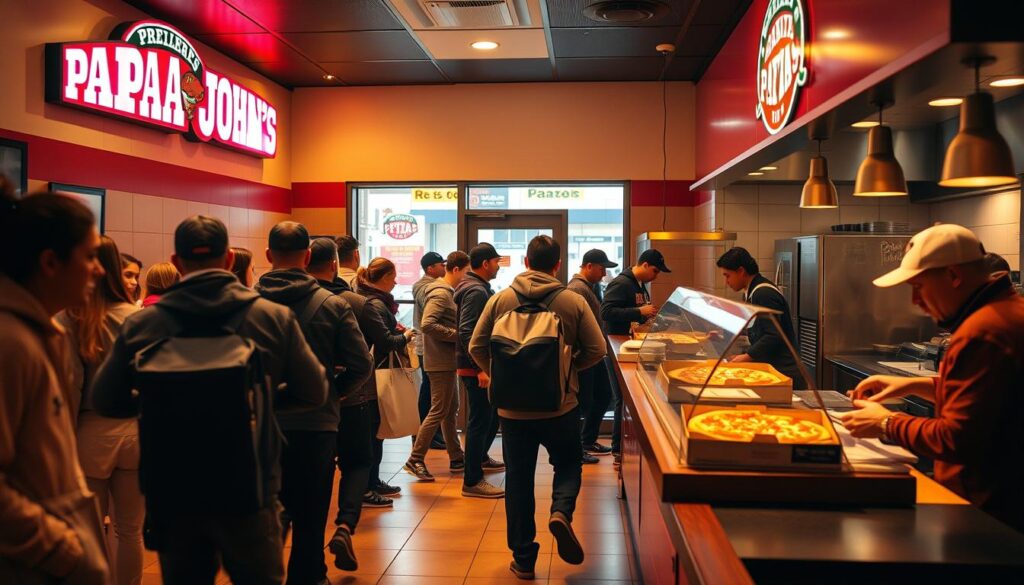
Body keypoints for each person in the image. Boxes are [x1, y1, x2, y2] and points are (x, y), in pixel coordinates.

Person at [92, 215, 328, 585]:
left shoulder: (145, 323)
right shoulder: (271, 317)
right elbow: (314, 391)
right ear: (229, 259)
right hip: (250, 485)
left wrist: (157, 403)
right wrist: (259, 401)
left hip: (174, 487)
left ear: (176, 261)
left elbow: (105, 399)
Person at [842, 224, 1024, 532]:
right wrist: (916, 385)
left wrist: (886, 422)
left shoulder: (983, 331)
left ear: (953, 276)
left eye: (919, 286)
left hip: (989, 518)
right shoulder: (1007, 311)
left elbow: (956, 438)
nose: (915, 300)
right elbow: (990, 397)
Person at [469, 235, 607, 579]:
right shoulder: (572, 301)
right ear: (557, 265)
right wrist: (568, 371)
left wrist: (497, 375)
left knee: (518, 479)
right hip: (560, 406)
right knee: (568, 464)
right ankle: (560, 511)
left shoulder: (500, 299)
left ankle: (524, 558)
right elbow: (598, 349)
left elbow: (476, 346)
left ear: (526, 262)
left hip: (512, 411)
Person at [0, 191, 110, 585]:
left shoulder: (38, 333)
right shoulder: (11, 343)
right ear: (50, 263)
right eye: (90, 256)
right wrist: (63, 550)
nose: (99, 271)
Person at [256, 222, 373, 583]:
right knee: (311, 507)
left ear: (268, 255)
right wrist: (332, 391)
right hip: (315, 423)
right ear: (307, 257)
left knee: (266, 508)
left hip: (261, 424)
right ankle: (309, 574)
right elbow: (361, 364)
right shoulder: (332, 305)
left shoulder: (246, 304)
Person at [306, 240, 406, 572]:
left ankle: (307, 561)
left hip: (296, 406)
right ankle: (346, 524)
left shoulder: (268, 303)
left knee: (310, 479)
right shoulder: (351, 303)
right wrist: (340, 392)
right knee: (357, 462)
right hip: (350, 400)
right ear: (334, 264)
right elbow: (363, 361)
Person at [60, 235, 143, 585]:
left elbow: (71, 385)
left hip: (89, 432)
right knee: (130, 531)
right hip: (137, 431)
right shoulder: (139, 317)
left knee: (91, 533)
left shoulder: (72, 318)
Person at [354, 257, 417, 505]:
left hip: (371, 374)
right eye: (393, 277)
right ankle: (369, 485)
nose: (396, 282)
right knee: (374, 432)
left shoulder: (368, 300)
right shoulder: (375, 305)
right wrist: (406, 336)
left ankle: (373, 481)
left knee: (376, 430)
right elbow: (386, 341)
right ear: (383, 278)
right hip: (375, 375)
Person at [404, 251, 470, 481]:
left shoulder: (446, 291)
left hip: (446, 360)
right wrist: (458, 336)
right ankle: (415, 459)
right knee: (439, 409)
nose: (467, 276)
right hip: (439, 360)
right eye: (466, 272)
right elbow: (428, 324)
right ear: (456, 270)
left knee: (450, 409)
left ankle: (456, 456)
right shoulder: (441, 293)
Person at [600, 248, 668, 463]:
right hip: (617, 348)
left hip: (629, 347)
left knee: (625, 397)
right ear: (645, 265)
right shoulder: (622, 283)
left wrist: (647, 315)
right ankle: (618, 449)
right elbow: (606, 312)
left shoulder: (639, 284)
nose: (656, 276)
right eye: (655, 271)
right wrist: (639, 312)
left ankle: (623, 449)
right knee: (622, 397)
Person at [455, 243, 506, 498]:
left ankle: (481, 458)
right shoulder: (475, 291)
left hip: (477, 365)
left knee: (489, 416)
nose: (498, 267)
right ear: (485, 264)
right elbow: (467, 331)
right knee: (479, 421)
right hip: (474, 367)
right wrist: (479, 368)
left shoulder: (475, 287)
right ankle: (472, 480)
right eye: (496, 262)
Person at [716, 247, 805, 389]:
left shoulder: (763, 293)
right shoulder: (750, 292)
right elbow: (755, 328)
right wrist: (723, 336)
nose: (727, 281)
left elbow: (773, 335)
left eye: (727, 276)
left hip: (783, 373)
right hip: (772, 369)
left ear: (741, 271)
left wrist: (746, 357)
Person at [568, 249, 618, 463]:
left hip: (594, 354)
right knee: (582, 403)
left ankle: (587, 440)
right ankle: (576, 450)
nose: (604, 273)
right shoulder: (577, 289)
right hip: (585, 355)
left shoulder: (589, 287)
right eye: (601, 268)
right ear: (588, 266)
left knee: (603, 395)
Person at [413, 251, 448, 450]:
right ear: (430, 268)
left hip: (430, 345)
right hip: (426, 346)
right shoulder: (423, 287)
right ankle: (426, 434)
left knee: (431, 390)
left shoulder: (434, 285)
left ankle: (432, 434)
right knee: (430, 391)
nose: (444, 267)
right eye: (441, 265)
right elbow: (429, 317)